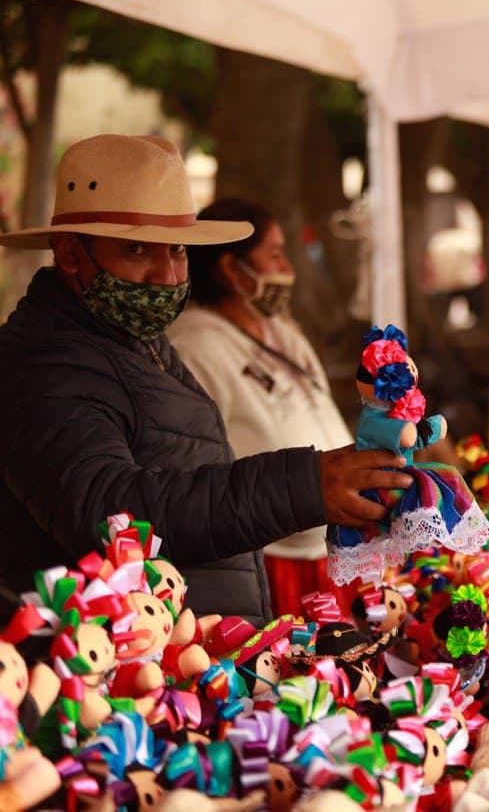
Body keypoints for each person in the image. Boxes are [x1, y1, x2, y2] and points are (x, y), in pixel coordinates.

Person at [0, 134, 409, 625]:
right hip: (121, 667)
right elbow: (110, 514)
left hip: (192, 648)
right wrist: (304, 486)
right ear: (69, 252)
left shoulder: (131, 339)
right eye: (136, 250)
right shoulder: (41, 363)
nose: (168, 276)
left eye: (177, 250)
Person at [167, 198, 355, 618]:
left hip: (331, 555)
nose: (286, 268)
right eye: (274, 254)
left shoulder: (282, 333)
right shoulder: (195, 345)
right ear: (233, 270)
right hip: (275, 560)